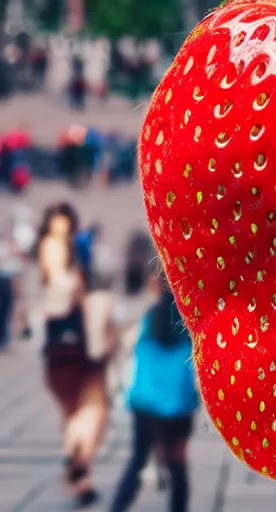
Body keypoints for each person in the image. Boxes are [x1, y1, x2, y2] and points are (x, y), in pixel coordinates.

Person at [38, 203, 108, 507]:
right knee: (88, 410)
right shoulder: (66, 251)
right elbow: (64, 286)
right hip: (75, 342)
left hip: (60, 343)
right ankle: (81, 472)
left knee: (72, 412)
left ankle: (79, 470)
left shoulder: (67, 248)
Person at [110, 272, 199, 512]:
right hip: (178, 404)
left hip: (146, 402)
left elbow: (129, 346)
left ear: (155, 286)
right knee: (177, 463)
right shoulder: (190, 323)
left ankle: (117, 507)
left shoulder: (148, 318)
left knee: (138, 459)